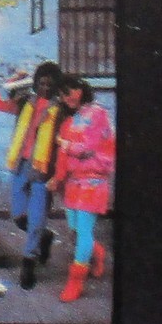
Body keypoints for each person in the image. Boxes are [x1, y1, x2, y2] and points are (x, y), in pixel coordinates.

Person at [0, 62, 66, 289]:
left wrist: (58, 175)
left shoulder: (60, 111)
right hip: (21, 164)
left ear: (56, 86)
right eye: (42, 83)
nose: (45, 88)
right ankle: (44, 237)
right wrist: (14, 79)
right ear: (35, 83)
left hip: (44, 169)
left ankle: (29, 261)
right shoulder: (25, 102)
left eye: (50, 85)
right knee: (17, 215)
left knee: (36, 216)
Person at [49, 77, 115, 304]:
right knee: (75, 229)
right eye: (62, 94)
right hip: (73, 182)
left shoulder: (97, 113)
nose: (67, 97)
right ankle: (98, 252)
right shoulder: (68, 121)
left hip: (93, 180)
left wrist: (64, 144)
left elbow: (88, 148)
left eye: (71, 91)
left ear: (81, 89)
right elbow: (63, 156)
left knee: (84, 231)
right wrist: (58, 178)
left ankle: (75, 281)